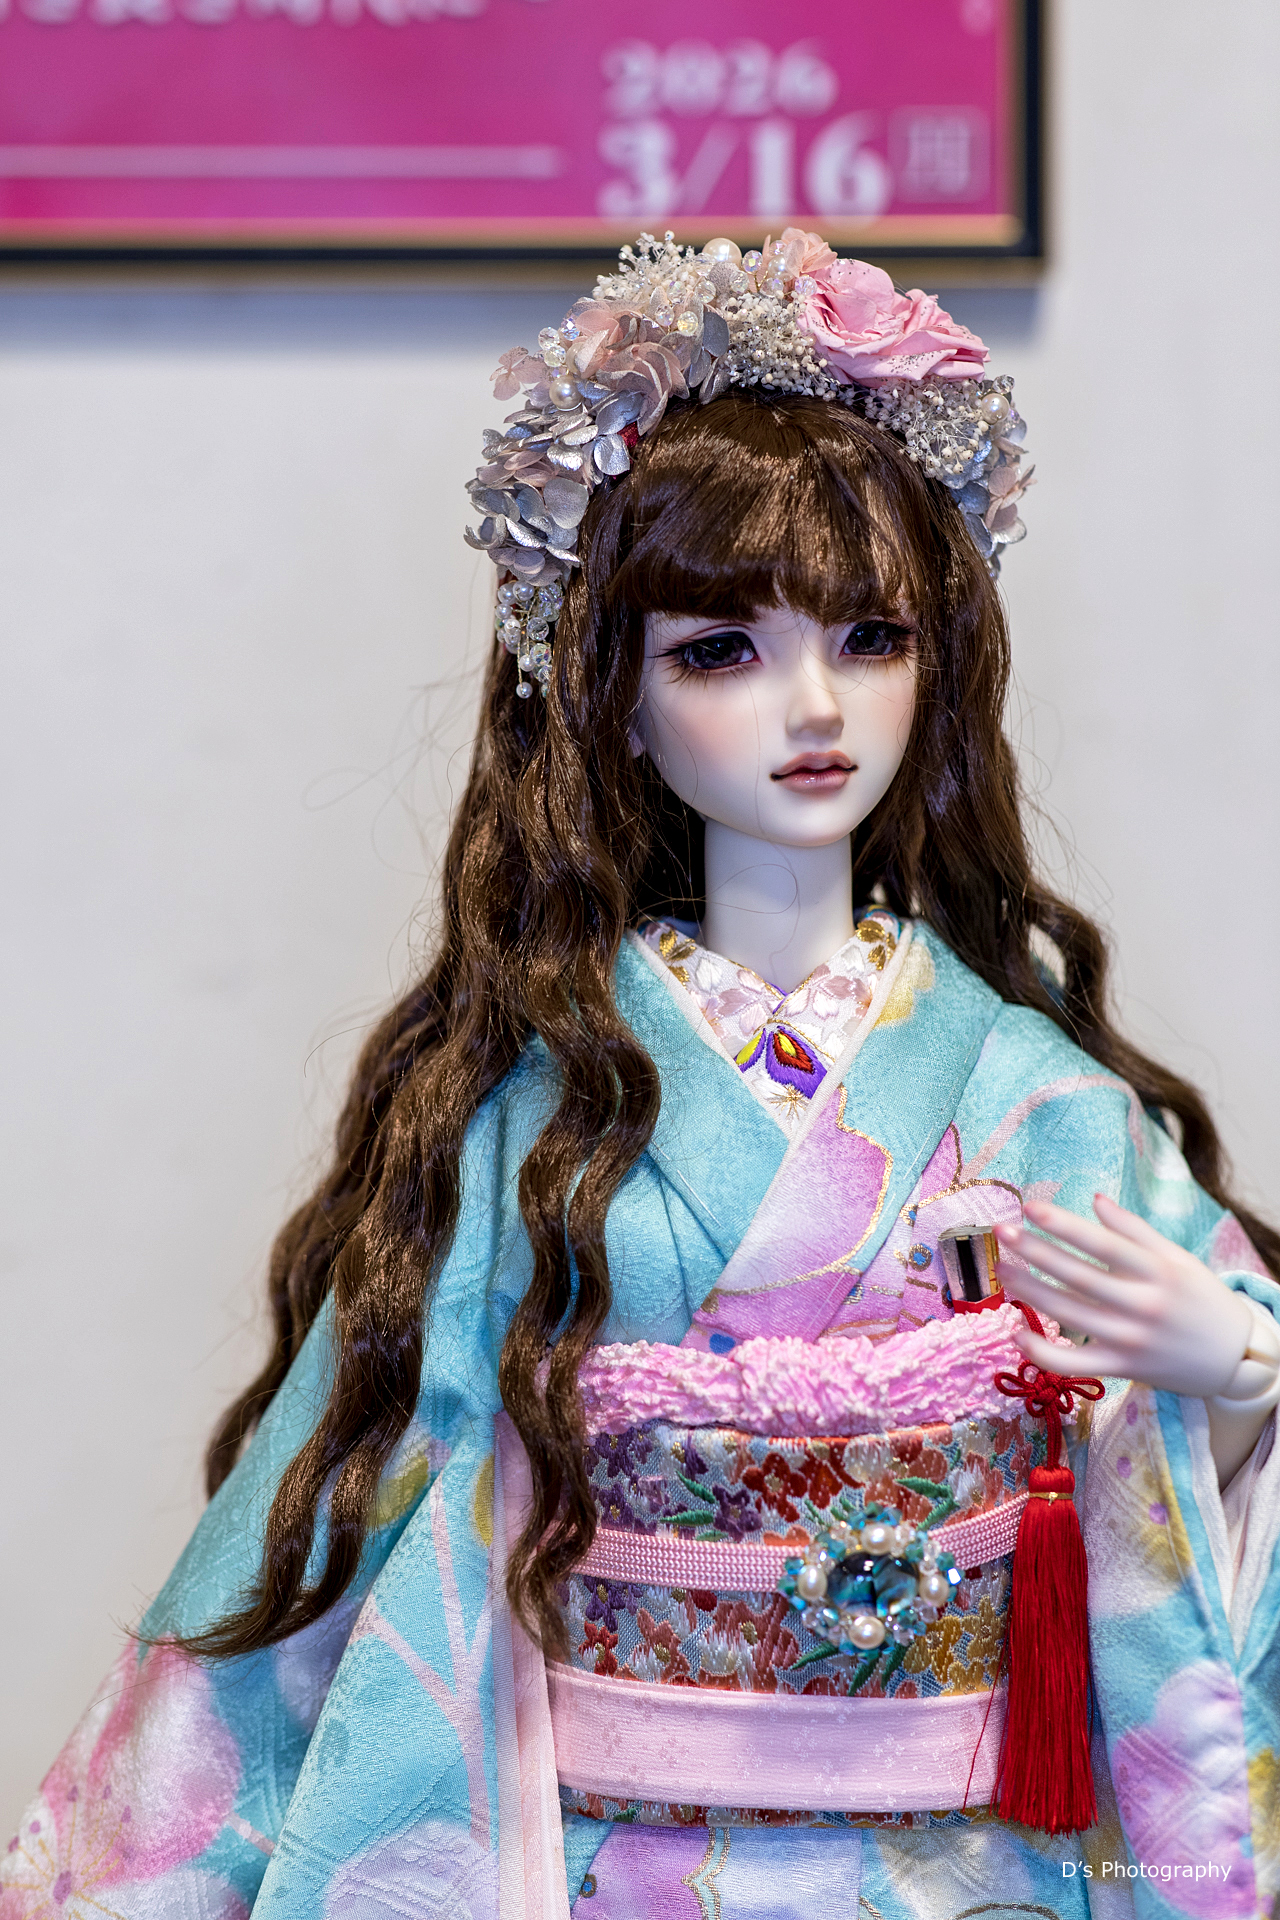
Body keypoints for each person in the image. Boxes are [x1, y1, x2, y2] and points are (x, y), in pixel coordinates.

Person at [3, 230, 1277, 1920]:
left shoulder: (1033, 1098)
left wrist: (1235, 1372)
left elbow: (1211, 1433)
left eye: (871, 637)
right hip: (622, 1863)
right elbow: (366, 1505)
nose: (814, 707)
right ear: (613, 696)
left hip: (971, 1866)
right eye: (720, 650)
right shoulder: (540, 1114)